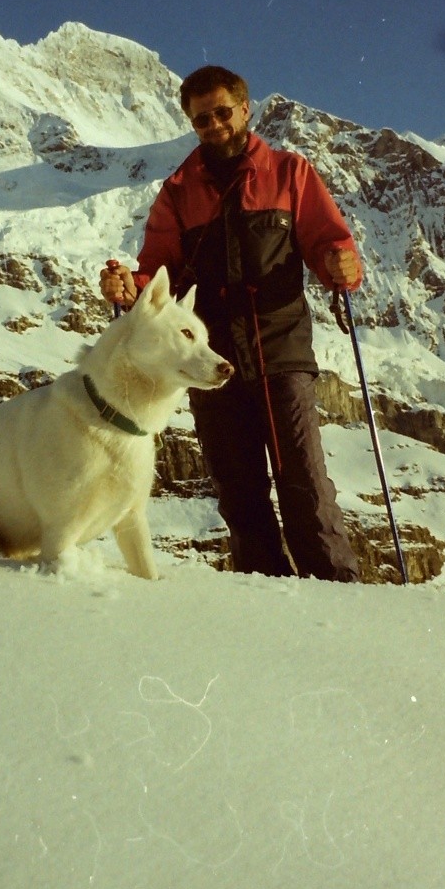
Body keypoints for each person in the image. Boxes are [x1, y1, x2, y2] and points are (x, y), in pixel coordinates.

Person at [100, 65, 363, 582]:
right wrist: (129, 287)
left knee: (304, 483)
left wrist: (343, 263)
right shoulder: (177, 191)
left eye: (223, 112)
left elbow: (329, 242)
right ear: (191, 124)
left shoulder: (291, 173)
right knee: (239, 492)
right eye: (202, 119)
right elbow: (159, 273)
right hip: (208, 359)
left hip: (279, 347)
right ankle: (267, 603)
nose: (215, 124)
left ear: (245, 109)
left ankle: (340, 593)